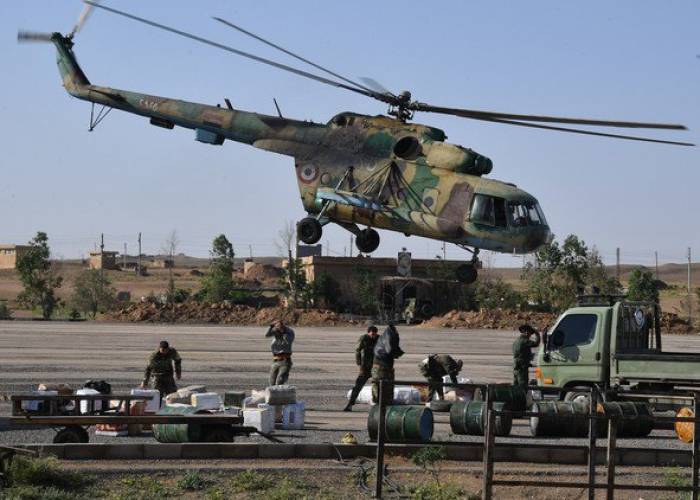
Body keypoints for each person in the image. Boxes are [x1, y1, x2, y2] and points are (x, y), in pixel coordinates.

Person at [344, 325, 380, 411]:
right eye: (371, 334)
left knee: (377, 386)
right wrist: (359, 363)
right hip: (365, 367)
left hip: (376, 367)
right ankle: (350, 404)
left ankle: (377, 404)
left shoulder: (380, 339)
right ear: (368, 333)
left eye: (374, 334)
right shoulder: (364, 338)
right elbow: (357, 350)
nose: (373, 335)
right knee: (358, 386)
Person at [371, 324, 404, 406]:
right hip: (380, 367)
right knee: (379, 385)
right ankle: (378, 403)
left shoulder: (386, 336)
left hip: (385, 366)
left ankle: (385, 402)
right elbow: (390, 350)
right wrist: (397, 353)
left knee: (387, 385)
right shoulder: (388, 337)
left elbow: (392, 349)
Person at [266, 319, 295, 386]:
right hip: (275, 360)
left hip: (285, 361)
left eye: (279, 327)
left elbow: (287, 341)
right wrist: (271, 327)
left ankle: (281, 391)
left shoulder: (289, 332)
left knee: (280, 381)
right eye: (276, 327)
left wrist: (282, 331)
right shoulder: (276, 333)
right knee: (271, 382)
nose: (277, 329)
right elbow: (267, 335)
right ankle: (273, 392)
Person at [512, 324, 541, 389]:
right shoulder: (525, 341)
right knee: (523, 385)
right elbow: (536, 343)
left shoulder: (516, 341)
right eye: (530, 334)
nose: (530, 336)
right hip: (522, 367)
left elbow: (520, 354)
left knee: (515, 385)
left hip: (516, 366)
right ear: (526, 332)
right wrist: (537, 334)